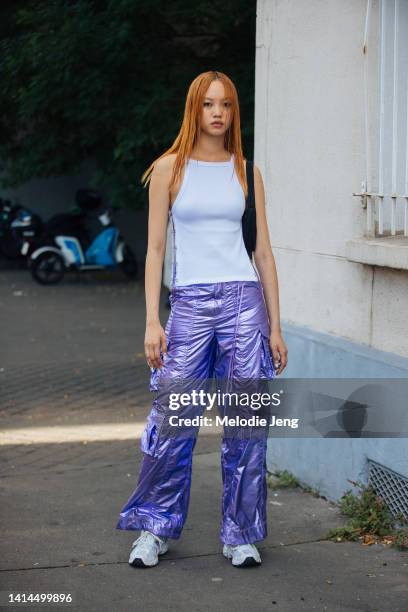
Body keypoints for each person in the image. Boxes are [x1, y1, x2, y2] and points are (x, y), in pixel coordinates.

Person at [116, 70, 288, 568]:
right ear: (195, 109)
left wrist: (275, 326)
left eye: (227, 105)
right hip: (189, 305)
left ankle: (240, 533)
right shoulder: (169, 169)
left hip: (244, 303)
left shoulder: (245, 171)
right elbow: (153, 251)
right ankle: (154, 527)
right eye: (210, 104)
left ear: (235, 112)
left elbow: (264, 252)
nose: (218, 113)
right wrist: (153, 320)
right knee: (173, 420)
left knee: (246, 423)